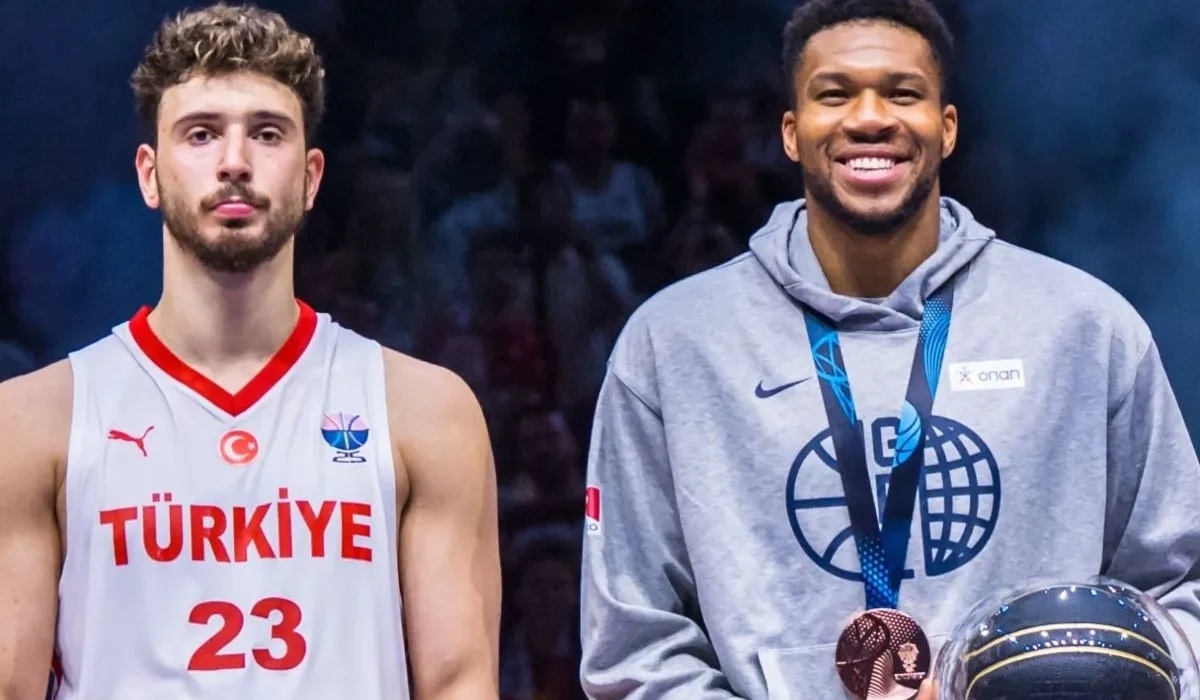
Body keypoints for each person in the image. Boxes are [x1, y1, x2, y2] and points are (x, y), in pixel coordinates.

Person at [578, 1, 1200, 699]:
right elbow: (635, 650)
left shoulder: (1084, 328)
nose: (869, 118)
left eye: (903, 93)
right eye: (834, 94)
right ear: (791, 133)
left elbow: (1183, 589)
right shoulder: (674, 345)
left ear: (947, 127)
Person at [0, 5, 501, 699]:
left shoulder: (427, 412)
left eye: (267, 134)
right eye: (201, 134)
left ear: (312, 177)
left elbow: (458, 682)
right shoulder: (31, 423)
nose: (234, 162)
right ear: (149, 175)